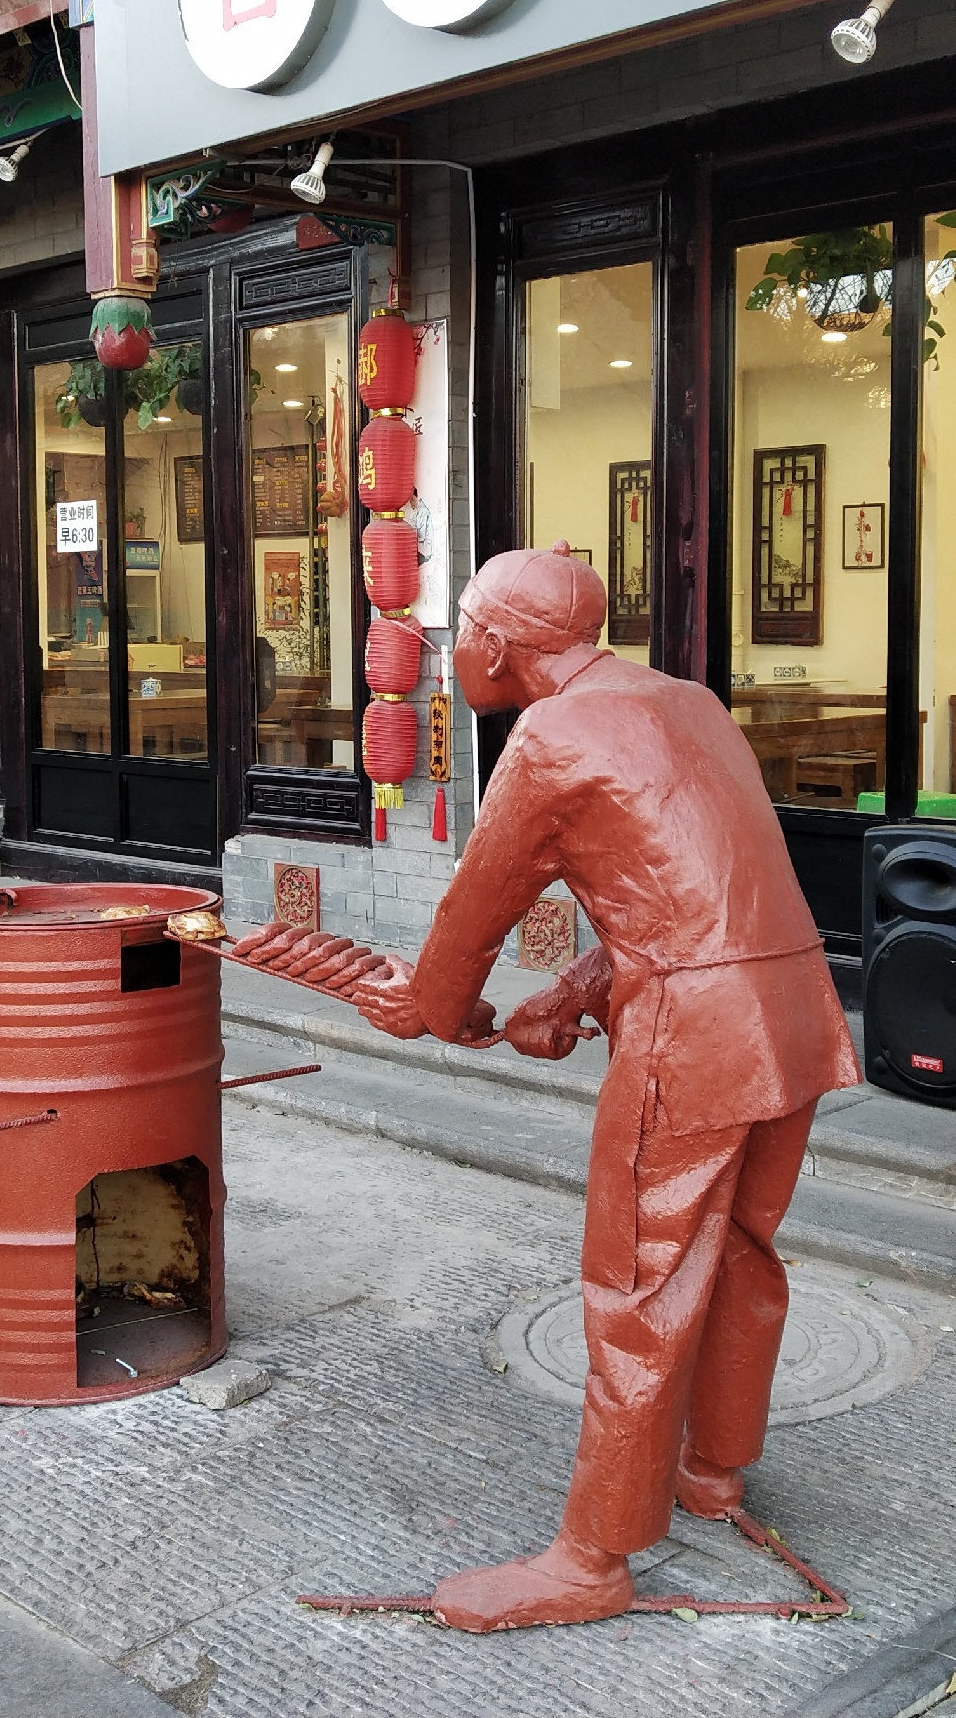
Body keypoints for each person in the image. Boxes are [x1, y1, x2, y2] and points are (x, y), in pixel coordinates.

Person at [354, 543, 860, 1633]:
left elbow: (475, 911)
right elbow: (695, 879)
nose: (455, 655)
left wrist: (432, 1007)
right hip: (791, 1008)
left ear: (494, 643)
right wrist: (579, 985)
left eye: (461, 633)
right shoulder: (687, 700)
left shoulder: (547, 737)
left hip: (697, 1034)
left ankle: (591, 1559)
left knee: (636, 1286)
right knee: (737, 1251)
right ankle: (712, 1472)